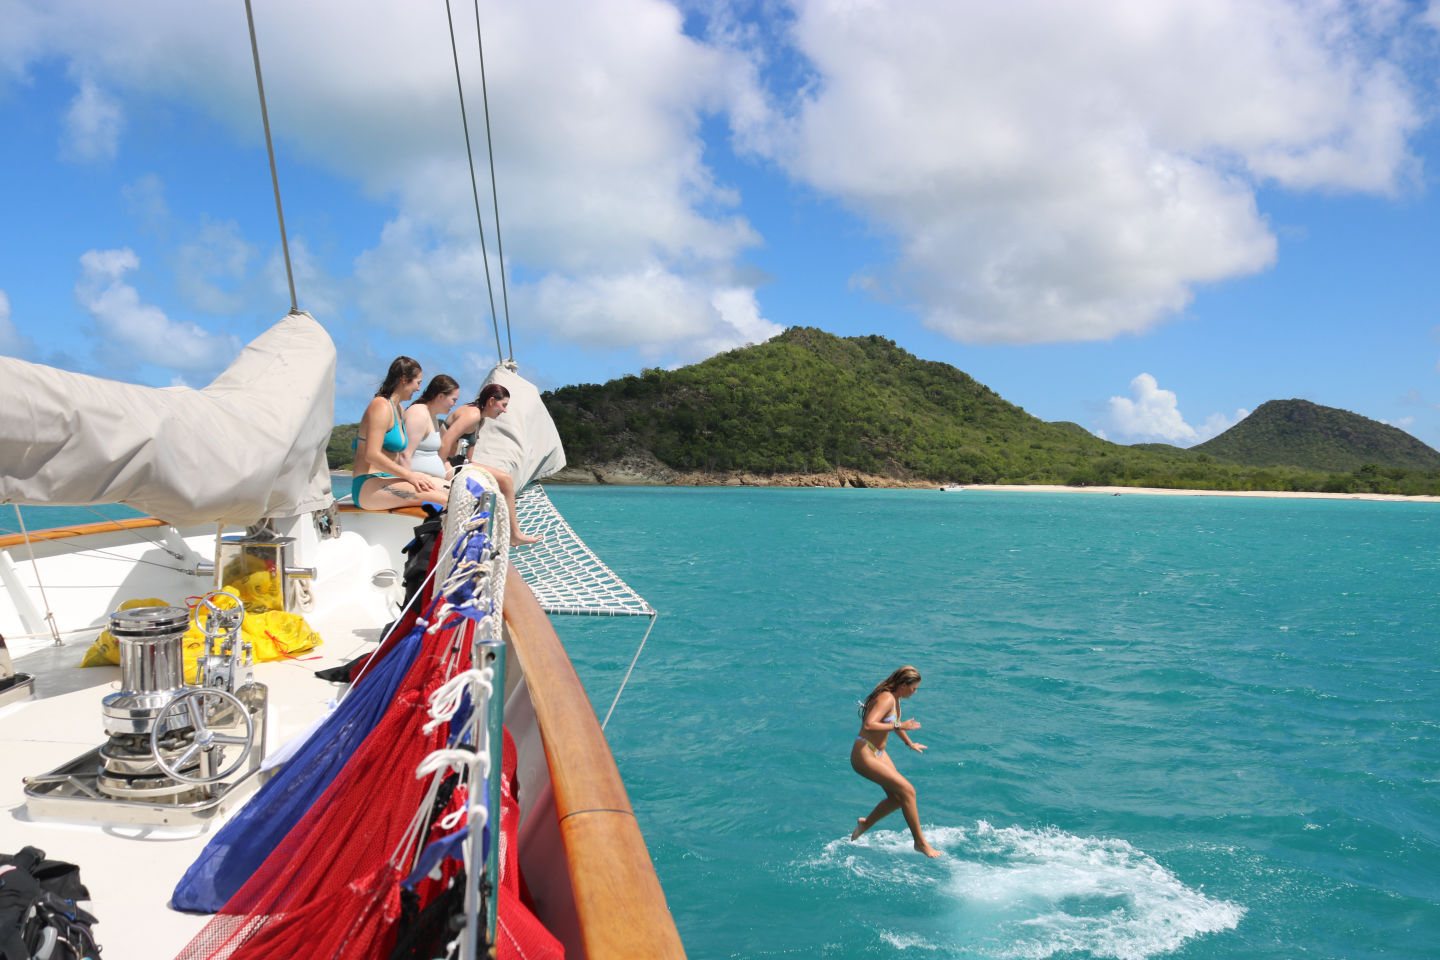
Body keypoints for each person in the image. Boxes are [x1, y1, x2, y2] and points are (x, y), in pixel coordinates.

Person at [849, 665, 941, 857]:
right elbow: (869, 724)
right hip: (864, 753)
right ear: (903, 685)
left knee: (898, 798)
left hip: (878, 752)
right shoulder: (886, 698)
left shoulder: (895, 698)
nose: (915, 692)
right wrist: (900, 725)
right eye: (913, 688)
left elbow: (892, 724)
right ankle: (920, 843)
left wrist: (909, 743)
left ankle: (865, 823)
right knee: (908, 791)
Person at [439, 383, 541, 546]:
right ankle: (508, 535)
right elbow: (445, 442)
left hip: (460, 463)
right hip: (446, 463)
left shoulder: (480, 419)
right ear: (492, 401)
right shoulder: (472, 415)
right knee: (495, 483)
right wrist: (444, 469)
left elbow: (469, 456)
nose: (505, 410)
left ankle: (513, 533)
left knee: (504, 479)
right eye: (503, 405)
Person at [349, 357, 448, 510]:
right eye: (418, 382)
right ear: (404, 380)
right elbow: (372, 455)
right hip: (368, 485)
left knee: (457, 492)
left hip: (389, 480)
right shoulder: (380, 406)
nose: (418, 389)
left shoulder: (399, 409)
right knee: (444, 500)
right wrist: (410, 475)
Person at [404, 374, 461, 481]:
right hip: (415, 481)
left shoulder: (432, 417)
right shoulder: (419, 414)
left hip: (431, 480)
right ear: (440, 396)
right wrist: (411, 479)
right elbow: (404, 455)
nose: (455, 404)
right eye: (454, 400)